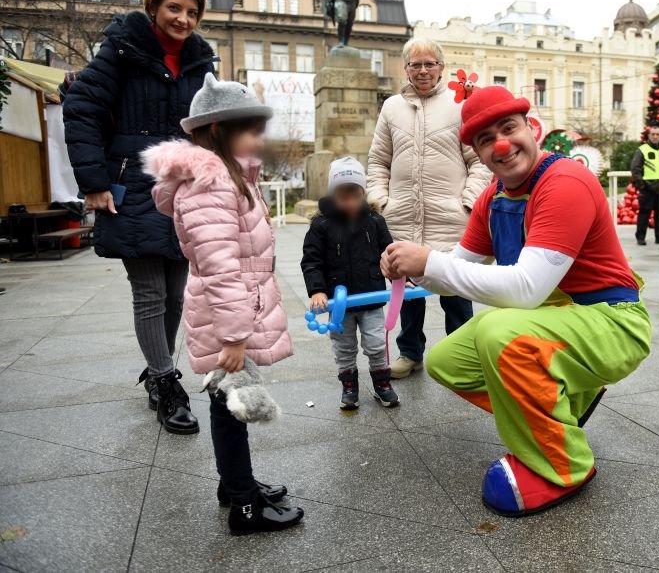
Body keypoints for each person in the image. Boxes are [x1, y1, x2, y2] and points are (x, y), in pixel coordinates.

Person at [380, 86, 651, 517]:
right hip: (557, 321)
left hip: (612, 321)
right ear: (476, 152)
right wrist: (410, 266)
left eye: (508, 128)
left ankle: (564, 465)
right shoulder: (493, 198)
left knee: (498, 333)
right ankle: (555, 412)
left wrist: (430, 260)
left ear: (530, 127)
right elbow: (456, 271)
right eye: (486, 139)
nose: (501, 145)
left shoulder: (565, 182)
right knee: (446, 361)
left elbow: (526, 288)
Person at [142, 73, 304, 536]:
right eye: (250, 128)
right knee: (231, 406)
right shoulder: (211, 186)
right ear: (218, 131)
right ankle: (244, 504)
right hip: (225, 316)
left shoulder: (230, 175)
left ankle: (234, 483)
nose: (259, 137)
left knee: (227, 403)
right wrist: (234, 335)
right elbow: (219, 265)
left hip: (230, 310)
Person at [63, 0, 216, 434]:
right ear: (153, 8)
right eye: (174, 8)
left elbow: (212, 124)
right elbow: (82, 107)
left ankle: (157, 370)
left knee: (176, 294)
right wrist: (93, 181)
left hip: (186, 188)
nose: (183, 19)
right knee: (150, 292)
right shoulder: (122, 50)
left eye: (192, 12)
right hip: (135, 183)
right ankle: (167, 383)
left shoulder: (201, 58)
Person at [367, 38, 491, 379]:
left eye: (429, 63)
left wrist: (468, 201)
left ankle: (466, 353)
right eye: (415, 64)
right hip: (402, 217)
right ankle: (410, 353)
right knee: (407, 292)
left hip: (450, 218)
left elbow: (479, 160)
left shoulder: (458, 105)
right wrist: (380, 201)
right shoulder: (391, 107)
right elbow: (378, 160)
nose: (422, 70)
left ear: (441, 67)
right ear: (406, 68)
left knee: (455, 289)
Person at [301, 157, 398, 410]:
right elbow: (311, 261)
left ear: (362, 193)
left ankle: (382, 383)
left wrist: (400, 279)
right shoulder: (321, 225)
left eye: (355, 195)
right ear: (333, 194)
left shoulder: (375, 222)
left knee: (376, 343)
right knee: (344, 347)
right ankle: (349, 386)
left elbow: (389, 254)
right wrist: (318, 290)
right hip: (339, 302)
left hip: (371, 297)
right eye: (343, 196)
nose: (350, 202)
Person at [629, 126, 659, 245]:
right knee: (644, 214)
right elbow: (635, 168)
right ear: (649, 135)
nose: (655, 136)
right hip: (647, 188)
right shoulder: (642, 150)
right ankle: (640, 238)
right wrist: (641, 185)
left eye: (657, 134)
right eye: (653, 134)